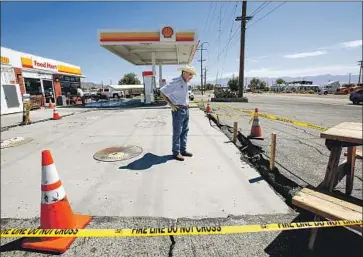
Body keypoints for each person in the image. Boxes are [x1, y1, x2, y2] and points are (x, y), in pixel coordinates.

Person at [160, 64, 197, 161]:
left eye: (192, 75)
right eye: (190, 74)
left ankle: (183, 150)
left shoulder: (185, 83)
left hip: (186, 109)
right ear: (184, 73)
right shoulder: (176, 81)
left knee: (185, 131)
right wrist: (171, 105)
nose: (191, 77)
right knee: (177, 132)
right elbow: (162, 92)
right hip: (178, 110)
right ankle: (176, 153)